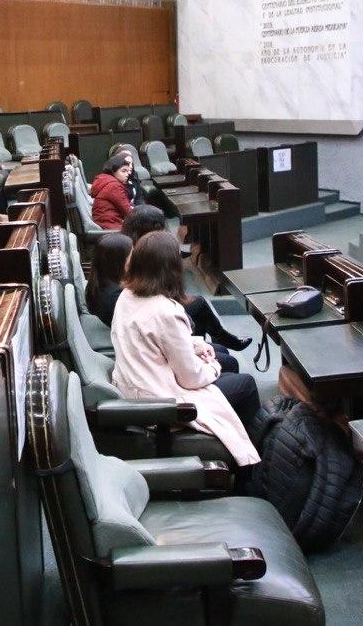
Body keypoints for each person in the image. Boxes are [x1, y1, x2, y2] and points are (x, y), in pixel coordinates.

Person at [109, 232, 260, 481]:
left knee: (224, 358)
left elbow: (148, 338)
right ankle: (251, 475)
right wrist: (211, 366)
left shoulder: (128, 295)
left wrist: (197, 345)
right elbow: (191, 378)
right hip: (160, 400)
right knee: (245, 384)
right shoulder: (165, 311)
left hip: (136, 384)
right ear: (171, 268)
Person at [88, 228, 248, 372]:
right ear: (119, 261)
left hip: (148, 343)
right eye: (131, 254)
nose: (134, 258)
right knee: (228, 360)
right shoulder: (120, 297)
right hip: (153, 354)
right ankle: (215, 338)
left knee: (218, 347)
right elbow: (154, 325)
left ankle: (212, 339)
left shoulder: (99, 285)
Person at [90, 152, 134, 230]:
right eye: (123, 171)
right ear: (113, 171)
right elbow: (129, 212)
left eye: (128, 171)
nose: (127, 174)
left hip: (105, 223)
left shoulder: (105, 180)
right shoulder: (114, 186)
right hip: (111, 226)